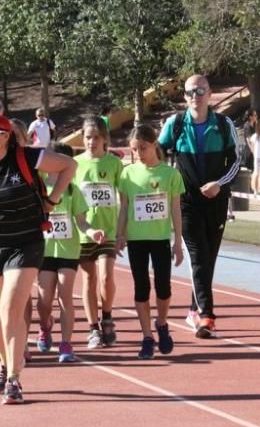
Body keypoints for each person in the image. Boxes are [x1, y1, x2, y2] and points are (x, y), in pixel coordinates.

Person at [0, 113, 77, 404]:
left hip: (25, 243)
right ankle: (4, 362)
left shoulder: (27, 157)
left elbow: (69, 165)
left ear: (5, 135)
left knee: (10, 307)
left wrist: (52, 201)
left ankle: (14, 378)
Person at [159, 74, 240, 339]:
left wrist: (219, 183)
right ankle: (207, 316)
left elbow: (237, 161)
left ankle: (194, 309)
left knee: (209, 259)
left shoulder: (223, 124)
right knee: (198, 257)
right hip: (187, 202)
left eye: (201, 90)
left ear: (210, 93)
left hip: (217, 201)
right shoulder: (176, 124)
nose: (196, 96)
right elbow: (157, 154)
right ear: (185, 96)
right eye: (191, 91)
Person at [116, 125, 184, 359]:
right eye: (134, 150)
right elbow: (124, 207)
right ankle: (146, 336)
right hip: (136, 239)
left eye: (142, 148)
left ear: (154, 144)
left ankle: (162, 323)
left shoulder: (170, 174)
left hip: (160, 238)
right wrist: (120, 234)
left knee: (163, 288)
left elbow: (175, 209)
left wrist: (178, 241)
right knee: (141, 287)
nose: (139, 154)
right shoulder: (128, 174)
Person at [36, 142, 104, 363]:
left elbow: (82, 222)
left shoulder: (73, 190)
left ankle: (66, 343)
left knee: (65, 297)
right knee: (44, 300)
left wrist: (93, 232)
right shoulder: (39, 187)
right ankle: (45, 326)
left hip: (68, 250)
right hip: (45, 251)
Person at [74, 116, 123, 348]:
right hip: (83, 231)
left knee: (106, 276)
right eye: (87, 137)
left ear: (104, 139)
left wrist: (122, 231)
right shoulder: (75, 164)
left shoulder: (114, 164)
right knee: (89, 279)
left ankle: (108, 316)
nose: (91, 142)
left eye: (96, 138)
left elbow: (123, 196)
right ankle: (93, 328)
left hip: (108, 230)